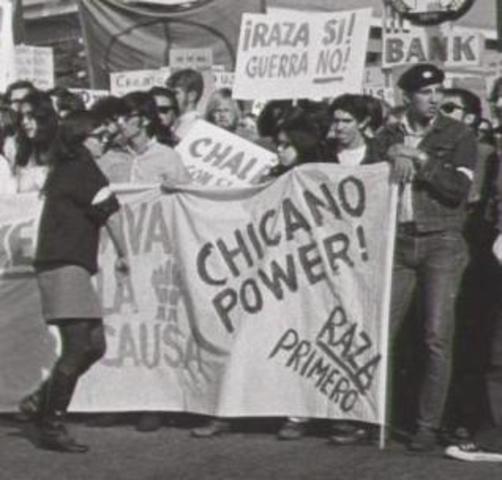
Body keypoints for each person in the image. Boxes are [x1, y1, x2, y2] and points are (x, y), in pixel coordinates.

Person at [191, 107, 324, 439]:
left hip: (300, 274)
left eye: (287, 145)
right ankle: (229, 411)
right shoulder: (271, 176)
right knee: (244, 340)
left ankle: (297, 416)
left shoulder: (318, 175)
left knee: (297, 343)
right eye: (278, 144)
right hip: (262, 270)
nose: (280, 150)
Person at [374, 63, 477, 452]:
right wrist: (393, 151)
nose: (434, 99)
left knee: (436, 335)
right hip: (397, 240)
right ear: (406, 97)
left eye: (438, 91)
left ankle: (427, 424)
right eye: (425, 93)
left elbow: (457, 190)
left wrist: (418, 158)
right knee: (383, 331)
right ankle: (376, 416)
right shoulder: (387, 134)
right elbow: (366, 174)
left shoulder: (459, 134)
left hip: (441, 241)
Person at [29, 110, 129, 452]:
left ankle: (40, 402)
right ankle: (51, 425)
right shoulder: (84, 168)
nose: (105, 142)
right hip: (65, 264)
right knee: (78, 347)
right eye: (99, 136)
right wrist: (125, 254)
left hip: (65, 265)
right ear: (81, 139)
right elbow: (110, 214)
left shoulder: (67, 167)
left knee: (94, 345)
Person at [117, 91, 191, 185]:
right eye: (117, 118)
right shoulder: (114, 155)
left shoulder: (167, 156)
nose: (120, 123)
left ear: (146, 120)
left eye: (127, 117)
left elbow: (185, 190)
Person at [14, 90, 58, 193]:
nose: (24, 122)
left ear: (43, 117)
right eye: (22, 117)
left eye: (30, 116)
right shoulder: (24, 152)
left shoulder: (63, 151)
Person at [166, 68, 204, 140]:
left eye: (175, 93)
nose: (169, 97)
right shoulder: (175, 123)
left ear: (192, 96)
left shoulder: (197, 126)